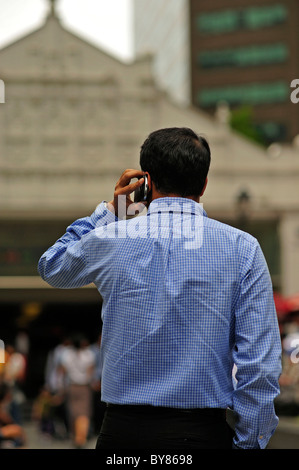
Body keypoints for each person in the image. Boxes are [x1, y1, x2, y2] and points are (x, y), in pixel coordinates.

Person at [38, 127, 281, 449]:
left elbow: (52, 267)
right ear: (204, 183)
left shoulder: (112, 239)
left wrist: (112, 210)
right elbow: (260, 365)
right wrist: (249, 442)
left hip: (123, 434)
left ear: (146, 181)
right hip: (202, 431)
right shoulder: (242, 248)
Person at [59, 334, 95, 448]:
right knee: (84, 413)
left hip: (72, 386)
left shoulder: (66, 354)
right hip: (84, 386)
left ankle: (75, 436)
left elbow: (63, 371)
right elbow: (90, 372)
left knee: (73, 412)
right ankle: (81, 438)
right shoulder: (89, 354)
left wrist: (62, 387)